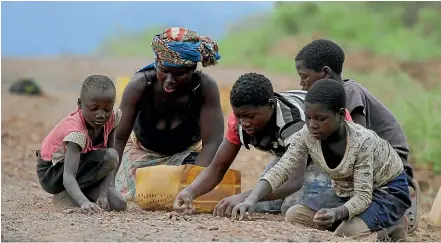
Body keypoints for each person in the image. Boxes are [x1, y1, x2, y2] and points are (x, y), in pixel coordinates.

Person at [232, 80, 411, 241]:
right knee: (295, 215)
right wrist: (252, 199)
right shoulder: (308, 134)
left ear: (341, 115)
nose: (312, 125)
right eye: (308, 117)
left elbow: (364, 196)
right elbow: (283, 167)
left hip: (386, 190)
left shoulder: (361, 143)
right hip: (347, 190)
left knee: (348, 234)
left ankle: (395, 227)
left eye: (320, 119)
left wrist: (337, 212)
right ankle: (356, 221)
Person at [173, 73, 352, 216]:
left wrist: (246, 196)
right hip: (293, 153)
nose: (245, 123)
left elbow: (294, 181)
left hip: (331, 151)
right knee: (255, 203)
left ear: (271, 105)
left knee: (291, 207)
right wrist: (189, 192)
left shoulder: (292, 123)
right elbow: (218, 167)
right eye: (239, 116)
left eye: (251, 116)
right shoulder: (238, 121)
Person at [294, 39, 420, 232]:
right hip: (356, 176)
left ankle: (394, 217)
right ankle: (358, 219)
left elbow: (355, 150)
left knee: (346, 229)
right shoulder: (327, 104)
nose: (302, 85)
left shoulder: (350, 93)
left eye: (304, 77)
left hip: (384, 172)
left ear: (325, 73)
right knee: (297, 213)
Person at [113, 27, 224, 202]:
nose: (170, 80)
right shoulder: (140, 85)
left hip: (186, 156)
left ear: (193, 69)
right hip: (141, 154)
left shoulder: (204, 88)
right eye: (164, 70)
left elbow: (213, 143)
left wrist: (193, 187)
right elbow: (118, 138)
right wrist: (108, 184)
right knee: (133, 197)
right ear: (157, 63)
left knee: (202, 192)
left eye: (180, 74)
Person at [36, 75, 127, 214]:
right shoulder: (76, 132)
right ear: (80, 104)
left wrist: (103, 194)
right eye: (94, 108)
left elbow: (109, 163)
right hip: (53, 173)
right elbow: (68, 175)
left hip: (82, 168)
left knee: (118, 204)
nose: (101, 115)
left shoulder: (112, 118)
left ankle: (78, 193)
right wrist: (84, 202)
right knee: (111, 155)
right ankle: (65, 195)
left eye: (106, 109)